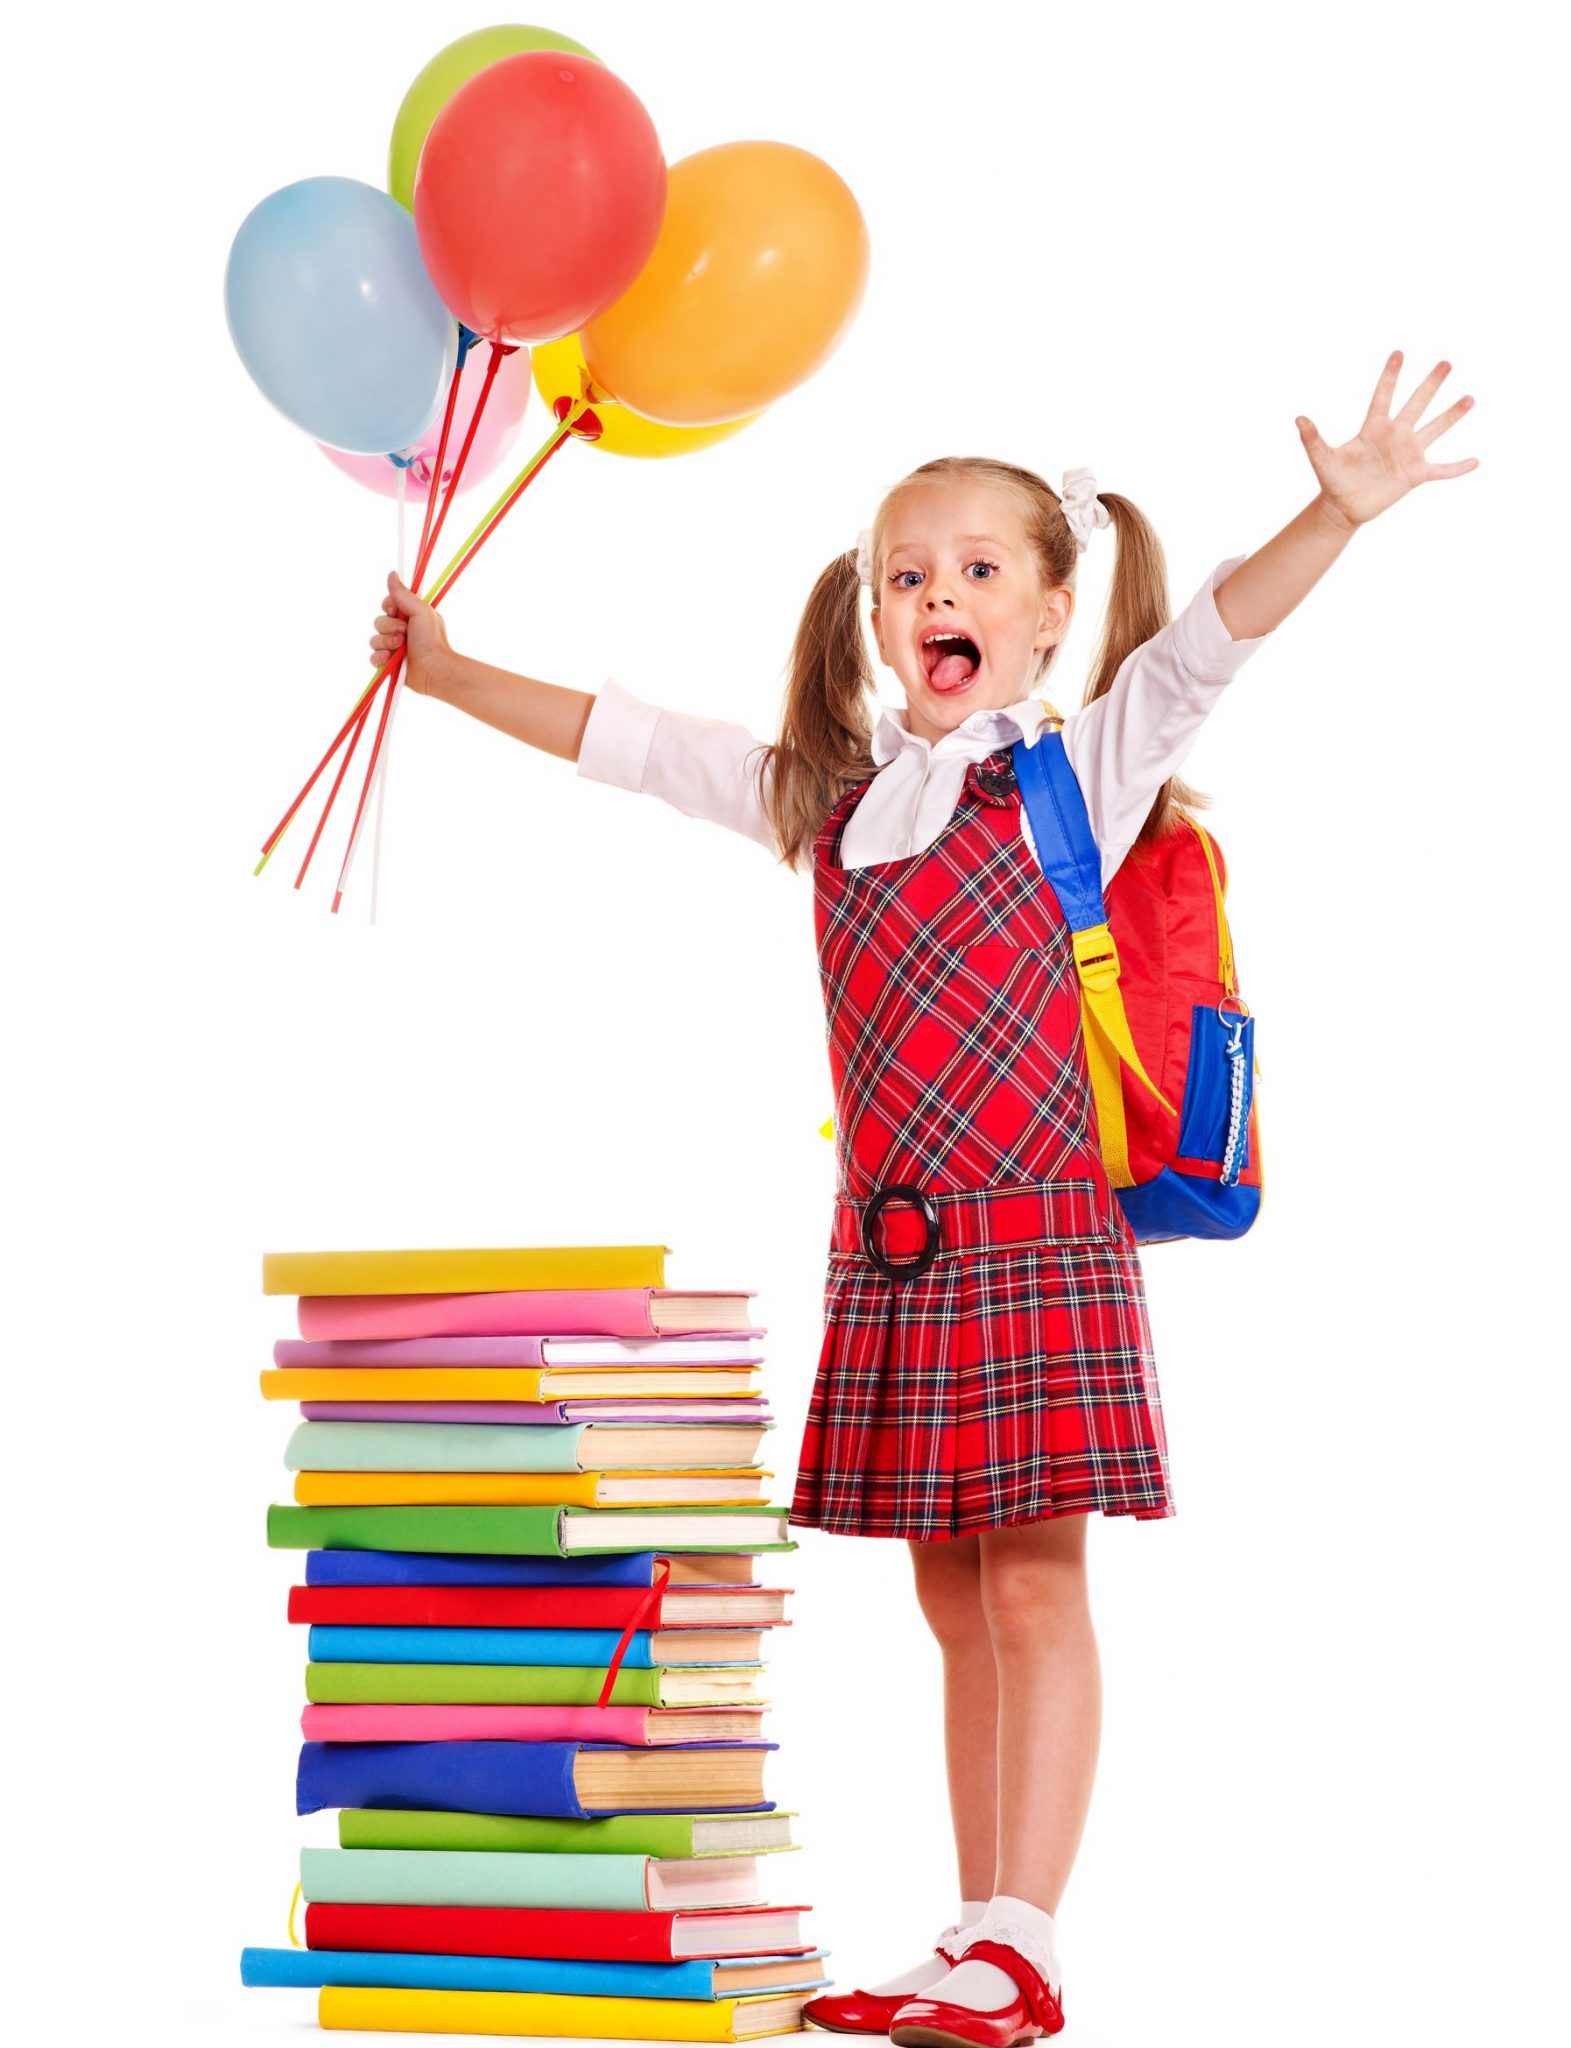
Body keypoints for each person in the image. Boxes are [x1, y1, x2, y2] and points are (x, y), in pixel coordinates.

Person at [367, 350, 1476, 2048]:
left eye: (973, 572)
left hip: (1037, 1246)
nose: (933, 596)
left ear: (1044, 616)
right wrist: (443, 678)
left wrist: (1332, 513)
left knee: (1034, 1589)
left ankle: (1027, 1942)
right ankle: (974, 1928)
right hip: (894, 1260)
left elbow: (1210, 647)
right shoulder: (827, 805)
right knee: (951, 1600)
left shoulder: (1073, 774)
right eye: (905, 575)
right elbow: (629, 742)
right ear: (871, 617)